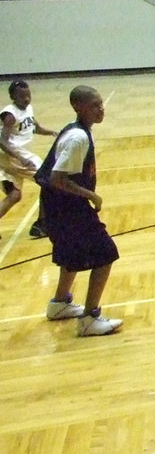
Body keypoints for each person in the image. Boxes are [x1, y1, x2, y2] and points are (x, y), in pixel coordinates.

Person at [33, 86, 122, 336]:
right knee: (106, 253)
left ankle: (60, 303)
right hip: (67, 206)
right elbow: (57, 178)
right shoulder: (78, 138)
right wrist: (92, 195)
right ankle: (89, 319)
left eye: (101, 104)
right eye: (94, 105)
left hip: (58, 205)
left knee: (70, 254)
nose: (101, 109)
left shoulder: (77, 131)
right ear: (78, 107)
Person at [0, 80, 57, 238]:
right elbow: (2, 141)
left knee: (14, 195)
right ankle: (42, 224)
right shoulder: (10, 114)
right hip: (14, 155)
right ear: (13, 97)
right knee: (49, 181)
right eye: (22, 96)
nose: (26, 99)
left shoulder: (28, 109)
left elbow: (35, 128)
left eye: (28, 95)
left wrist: (53, 133)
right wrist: (19, 157)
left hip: (15, 157)